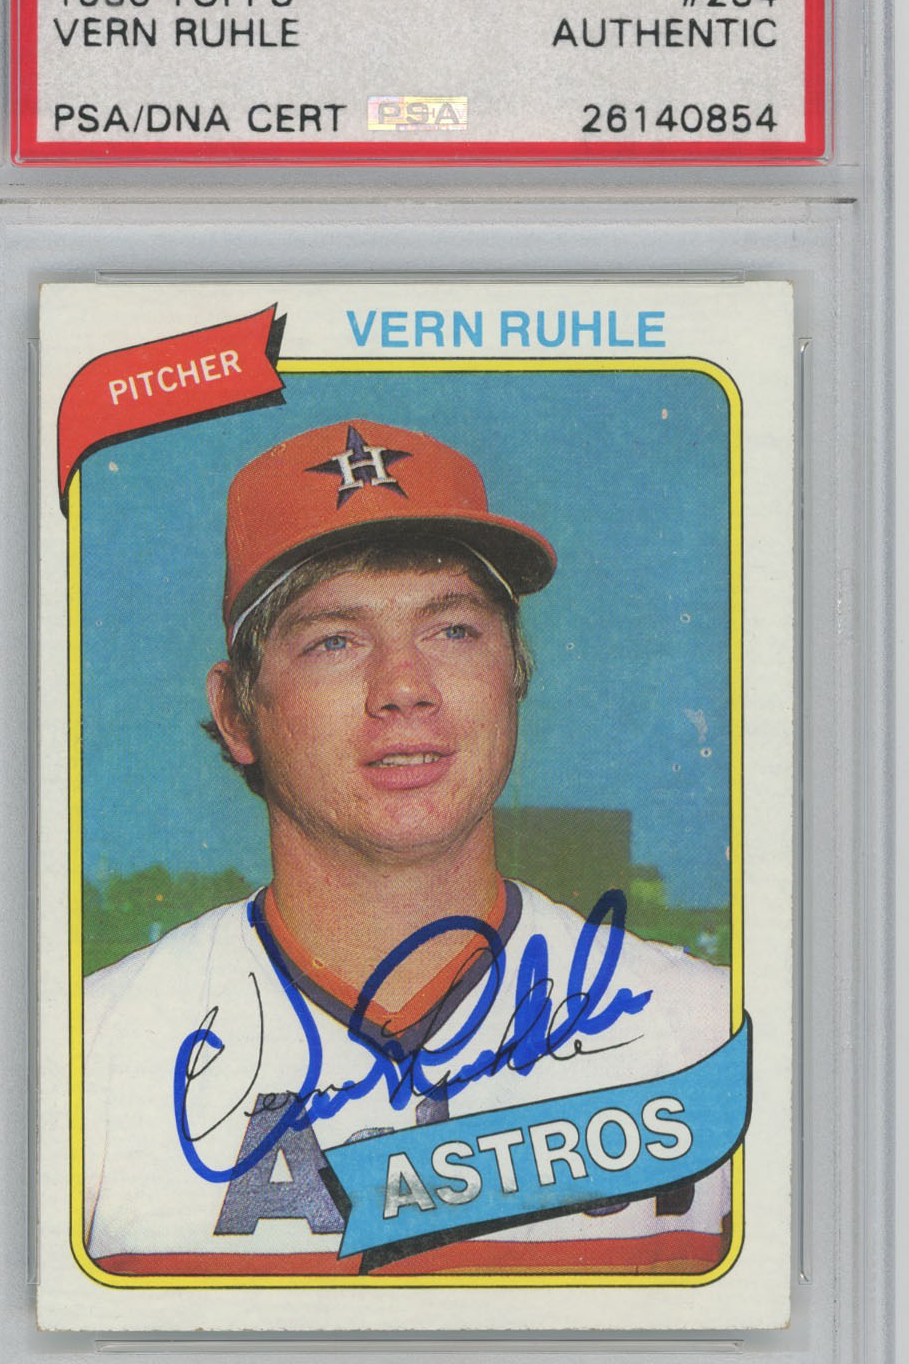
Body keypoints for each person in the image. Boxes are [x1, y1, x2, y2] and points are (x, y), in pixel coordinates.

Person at [83, 419, 731, 1278]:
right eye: (334, 640)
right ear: (238, 713)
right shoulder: (87, 1061)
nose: (403, 688)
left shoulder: (708, 1037)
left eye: (452, 630)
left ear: (515, 673)